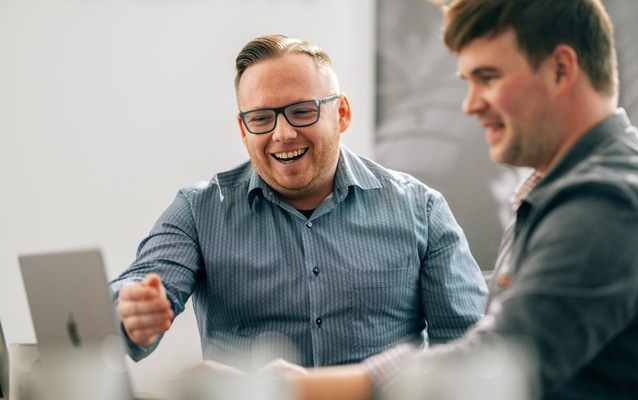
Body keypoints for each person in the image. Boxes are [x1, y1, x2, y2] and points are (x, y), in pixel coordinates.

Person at [270, 0, 638, 399]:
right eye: (468, 81)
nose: (470, 103)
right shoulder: (566, 190)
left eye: (489, 77)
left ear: (561, 68)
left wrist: (303, 388)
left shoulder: (608, 204)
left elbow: (495, 368)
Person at [109, 34, 488, 371]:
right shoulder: (199, 210)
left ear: (341, 113)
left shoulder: (420, 208)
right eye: (261, 118)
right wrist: (130, 310)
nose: (284, 134)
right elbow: (134, 288)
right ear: (243, 130)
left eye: (302, 111)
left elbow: (470, 352)